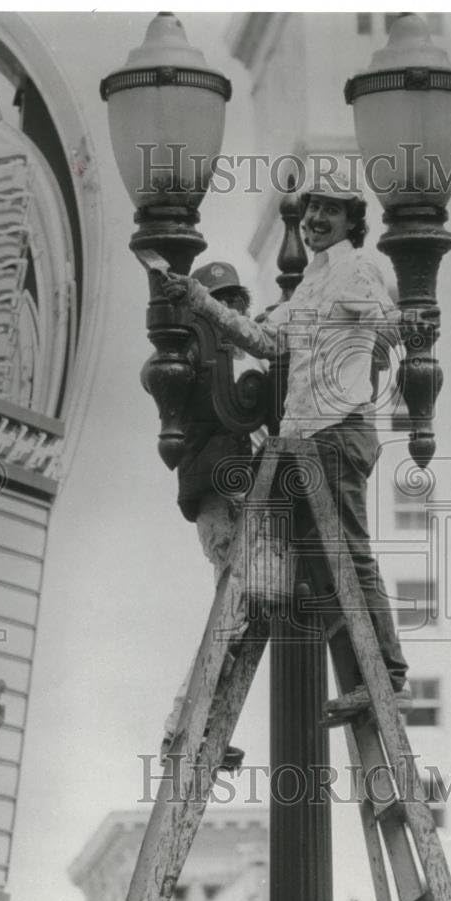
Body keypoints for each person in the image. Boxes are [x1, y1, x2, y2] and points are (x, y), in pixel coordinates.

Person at [162, 173, 411, 706]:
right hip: (303, 441)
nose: (318, 219)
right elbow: (268, 340)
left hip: (337, 431)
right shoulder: (313, 283)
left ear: (352, 220)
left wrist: (364, 340)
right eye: (312, 208)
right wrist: (203, 302)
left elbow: (394, 328)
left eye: (331, 210)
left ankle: (385, 674)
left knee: (348, 555)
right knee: (297, 565)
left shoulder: (357, 268)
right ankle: (365, 677)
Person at [161, 261, 267, 767]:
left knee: (236, 611)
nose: (235, 312)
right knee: (233, 610)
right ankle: (187, 726)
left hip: (217, 500)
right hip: (221, 501)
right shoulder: (209, 366)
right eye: (228, 303)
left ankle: (193, 727)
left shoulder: (202, 361)